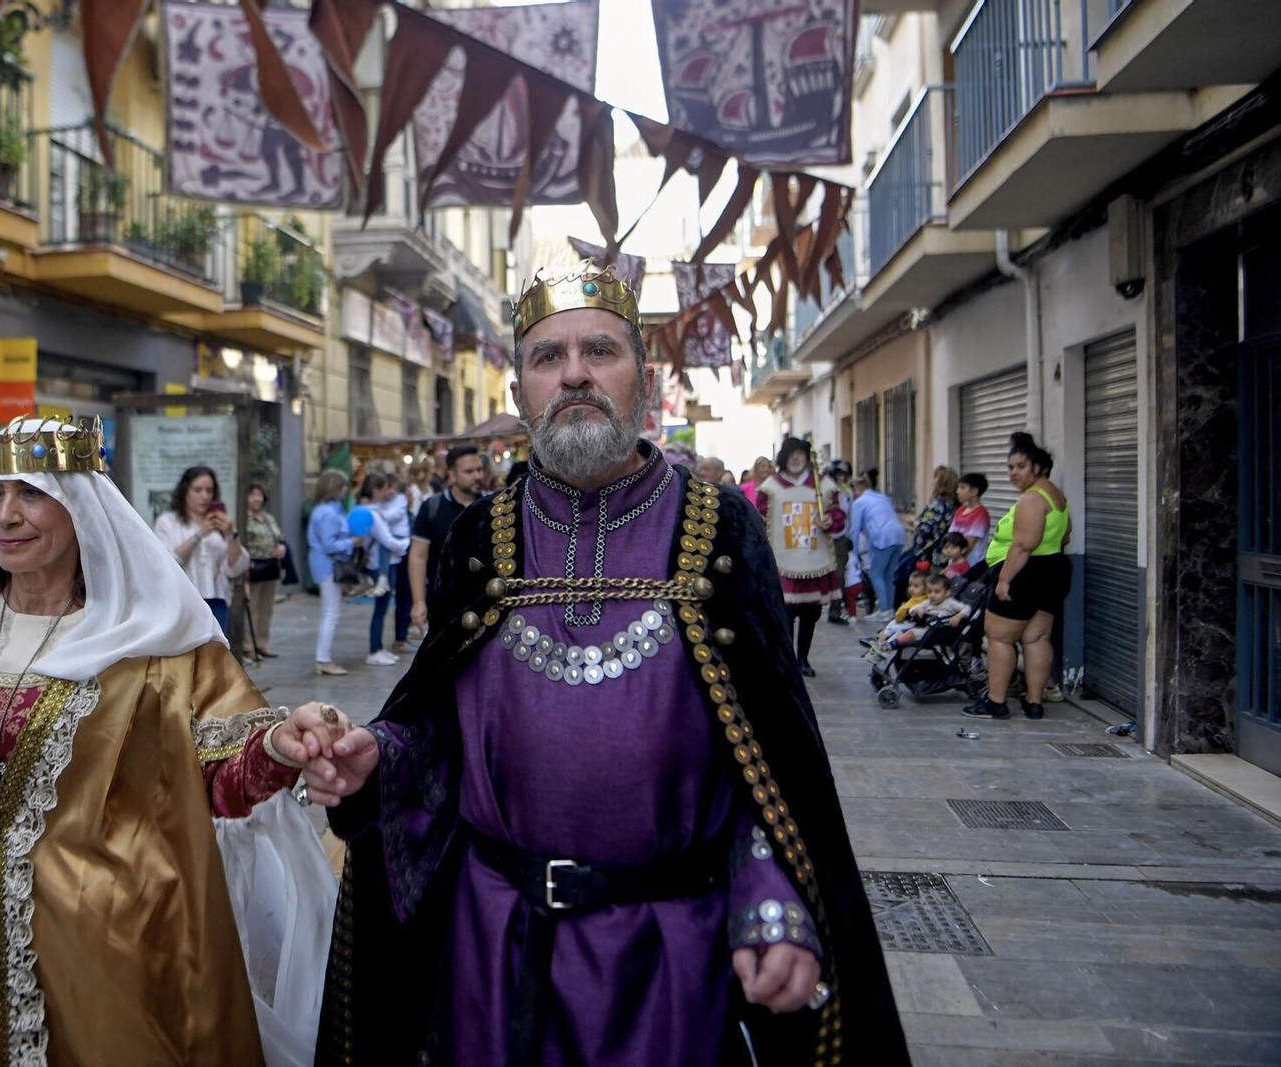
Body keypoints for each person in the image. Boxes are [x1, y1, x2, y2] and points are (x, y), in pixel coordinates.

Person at [304, 263, 906, 1067]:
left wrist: (771, 901)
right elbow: (437, 733)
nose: (576, 373)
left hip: (670, 957)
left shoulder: (721, 530)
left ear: (643, 381)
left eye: (600, 351)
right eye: (547, 357)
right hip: (493, 946)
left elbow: (770, 760)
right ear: (522, 391)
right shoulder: (476, 539)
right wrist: (379, 754)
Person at [0, 415, 348, 1065]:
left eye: (30, 494)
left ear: (80, 507)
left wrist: (280, 741)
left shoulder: (149, 641)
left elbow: (214, 781)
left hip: (94, 941)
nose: (5, 516)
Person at [965, 433, 1071, 721]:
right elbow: (1066, 535)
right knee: (1036, 638)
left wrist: (1004, 580)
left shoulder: (1032, 500)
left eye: (1020, 466)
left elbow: (1024, 545)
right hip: (1053, 570)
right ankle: (1034, 703)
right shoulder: (1056, 496)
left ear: (1038, 468)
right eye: (1010, 467)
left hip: (1024, 573)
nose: (1013, 473)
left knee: (1000, 637)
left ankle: (996, 701)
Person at [756, 437, 848, 676]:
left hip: (813, 560)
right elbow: (759, 518)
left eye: (800, 454)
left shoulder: (823, 485)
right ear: (784, 458)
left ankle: (803, 659)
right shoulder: (770, 487)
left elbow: (838, 515)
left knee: (811, 614)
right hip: (783, 563)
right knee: (785, 614)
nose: (796, 458)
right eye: (791, 454)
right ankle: (788, 660)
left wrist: (831, 520)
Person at [155, 465, 249, 632]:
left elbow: (236, 568)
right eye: (198, 490)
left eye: (209, 491)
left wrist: (231, 534)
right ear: (185, 491)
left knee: (213, 656)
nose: (204, 496)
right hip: (181, 603)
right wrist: (200, 534)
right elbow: (167, 562)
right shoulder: (168, 522)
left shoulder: (220, 523)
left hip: (216, 602)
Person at [407, 444, 488, 631]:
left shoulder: (493, 506)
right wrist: (418, 602)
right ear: (451, 475)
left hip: (486, 604)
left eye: (479, 469)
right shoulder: (431, 508)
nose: (477, 476)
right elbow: (418, 556)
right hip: (443, 605)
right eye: (469, 471)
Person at [359, 473, 412, 667]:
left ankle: (379, 648)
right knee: (380, 610)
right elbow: (387, 540)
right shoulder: (372, 513)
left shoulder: (372, 510)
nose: (386, 492)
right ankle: (374, 650)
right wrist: (409, 543)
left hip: (387, 561)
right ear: (376, 490)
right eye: (383, 488)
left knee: (382, 609)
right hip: (382, 564)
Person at [308, 469, 355, 676]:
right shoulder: (328, 513)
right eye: (342, 486)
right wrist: (352, 543)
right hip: (329, 567)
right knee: (331, 612)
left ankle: (323, 658)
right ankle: (323, 659)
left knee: (330, 611)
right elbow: (330, 544)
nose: (345, 490)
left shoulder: (326, 510)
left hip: (326, 566)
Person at [845, 473, 908, 621]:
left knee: (876, 574)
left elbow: (854, 529)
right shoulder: (882, 496)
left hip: (882, 537)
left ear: (857, 488)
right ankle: (890, 609)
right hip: (898, 535)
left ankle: (884, 610)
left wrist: (853, 553)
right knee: (889, 575)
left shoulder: (859, 503)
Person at [866, 573, 970, 662]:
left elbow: (968, 608)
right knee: (901, 632)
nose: (932, 595)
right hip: (927, 628)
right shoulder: (928, 602)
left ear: (947, 592)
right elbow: (912, 609)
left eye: (937, 592)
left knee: (911, 633)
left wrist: (958, 616)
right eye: (929, 592)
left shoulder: (950, 603)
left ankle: (889, 646)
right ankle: (883, 650)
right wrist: (918, 610)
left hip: (938, 632)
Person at [241, 481, 286, 659]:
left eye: (259, 495)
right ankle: (248, 646)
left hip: (270, 566)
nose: (256, 499)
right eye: (252, 495)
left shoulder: (268, 518)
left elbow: (278, 537)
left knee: (267, 608)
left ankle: (262, 643)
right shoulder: (244, 518)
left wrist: (281, 547)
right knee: (251, 608)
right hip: (252, 567)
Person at [374, 471, 417, 654]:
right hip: (392, 549)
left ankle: (401, 636)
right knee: (388, 598)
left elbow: (391, 516)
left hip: (402, 547)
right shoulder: (381, 505)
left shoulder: (400, 506)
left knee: (405, 596)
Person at [907, 465, 960, 571]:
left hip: (930, 556)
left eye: (935, 478)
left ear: (942, 483)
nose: (933, 481)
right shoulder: (954, 504)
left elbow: (925, 529)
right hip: (945, 554)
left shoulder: (937, 505)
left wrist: (914, 522)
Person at [826, 459, 855, 626]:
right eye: (838, 475)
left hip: (841, 538)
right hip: (826, 537)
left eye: (844, 475)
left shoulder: (848, 491)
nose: (841, 478)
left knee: (839, 575)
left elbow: (849, 514)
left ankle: (835, 610)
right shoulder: (827, 490)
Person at [950, 473, 992, 577]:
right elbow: (951, 537)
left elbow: (969, 544)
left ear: (974, 491)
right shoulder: (960, 511)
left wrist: (956, 561)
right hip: (955, 563)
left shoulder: (981, 514)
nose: (957, 491)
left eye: (962, 487)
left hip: (971, 566)